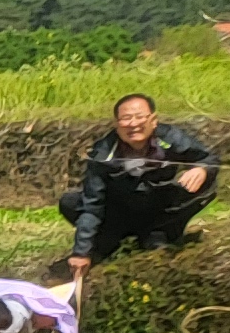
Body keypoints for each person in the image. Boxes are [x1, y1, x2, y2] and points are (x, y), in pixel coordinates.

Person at [62, 96, 219, 277]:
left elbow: (209, 158)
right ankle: (108, 242)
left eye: (139, 117)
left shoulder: (170, 138)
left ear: (153, 120)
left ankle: (160, 235)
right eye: (126, 118)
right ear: (117, 124)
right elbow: (92, 205)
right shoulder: (103, 153)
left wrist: (202, 169)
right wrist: (81, 252)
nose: (133, 124)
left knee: (206, 182)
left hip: (159, 207)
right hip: (120, 212)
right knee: (70, 202)